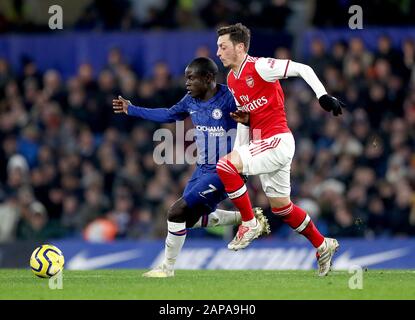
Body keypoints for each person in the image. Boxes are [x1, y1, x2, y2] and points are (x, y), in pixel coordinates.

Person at [113, 57, 270, 277]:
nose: (187, 83)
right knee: (188, 219)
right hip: (203, 169)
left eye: (191, 78)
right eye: (186, 78)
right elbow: (168, 114)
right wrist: (132, 109)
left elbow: (258, 118)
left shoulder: (229, 98)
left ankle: (167, 268)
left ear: (208, 78)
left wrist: (248, 123)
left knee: (176, 211)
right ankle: (246, 217)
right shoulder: (190, 100)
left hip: (227, 170)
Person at [215, 23, 344, 276]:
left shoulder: (260, 66)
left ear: (240, 47)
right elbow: (245, 119)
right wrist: (239, 152)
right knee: (282, 207)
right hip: (263, 143)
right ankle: (322, 244)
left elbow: (302, 68)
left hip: (278, 140)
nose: (218, 52)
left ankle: (250, 223)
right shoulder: (232, 79)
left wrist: (322, 96)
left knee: (224, 165)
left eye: (223, 47)